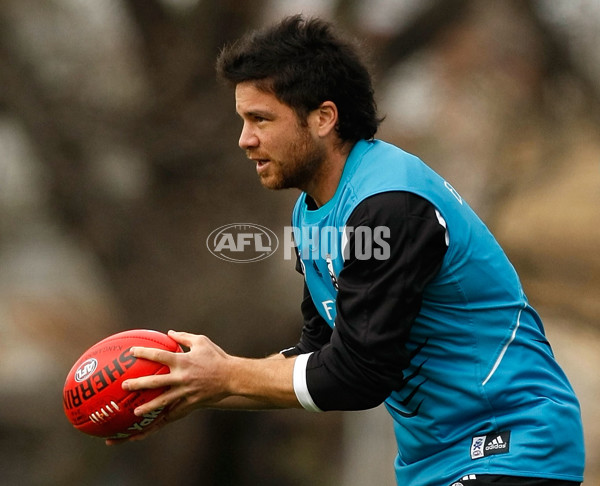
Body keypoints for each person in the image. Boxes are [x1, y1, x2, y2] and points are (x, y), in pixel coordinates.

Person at [107, 15, 585, 486]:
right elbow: (318, 356)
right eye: (242, 120)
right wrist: (191, 386)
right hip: (437, 460)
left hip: (512, 442)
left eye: (261, 119)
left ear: (323, 118)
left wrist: (227, 375)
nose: (244, 139)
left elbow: (357, 376)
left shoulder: (389, 205)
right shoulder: (311, 212)